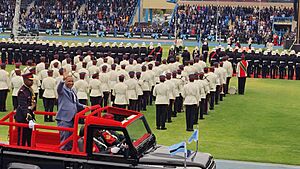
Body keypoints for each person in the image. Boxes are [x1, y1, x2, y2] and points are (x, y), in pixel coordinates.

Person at [56, 71, 86, 151]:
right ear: (65, 81)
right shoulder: (62, 91)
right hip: (64, 118)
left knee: (71, 139)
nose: (71, 83)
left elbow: (75, 104)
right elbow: (59, 89)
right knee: (65, 139)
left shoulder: (73, 91)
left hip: (72, 118)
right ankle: (62, 153)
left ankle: (69, 152)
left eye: (72, 81)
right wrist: (63, 79)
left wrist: (84, 106)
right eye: (69, 81)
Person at [15, 72, 36, 146]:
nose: (32, 82)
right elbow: (23, 106)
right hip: (23, 118)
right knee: (22, 138)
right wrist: (29, 117)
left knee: (29, 136)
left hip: (29, 116)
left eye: (32, 80)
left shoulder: (29, 89)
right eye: (30, 80)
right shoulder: (22, 91)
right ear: (24, 80)